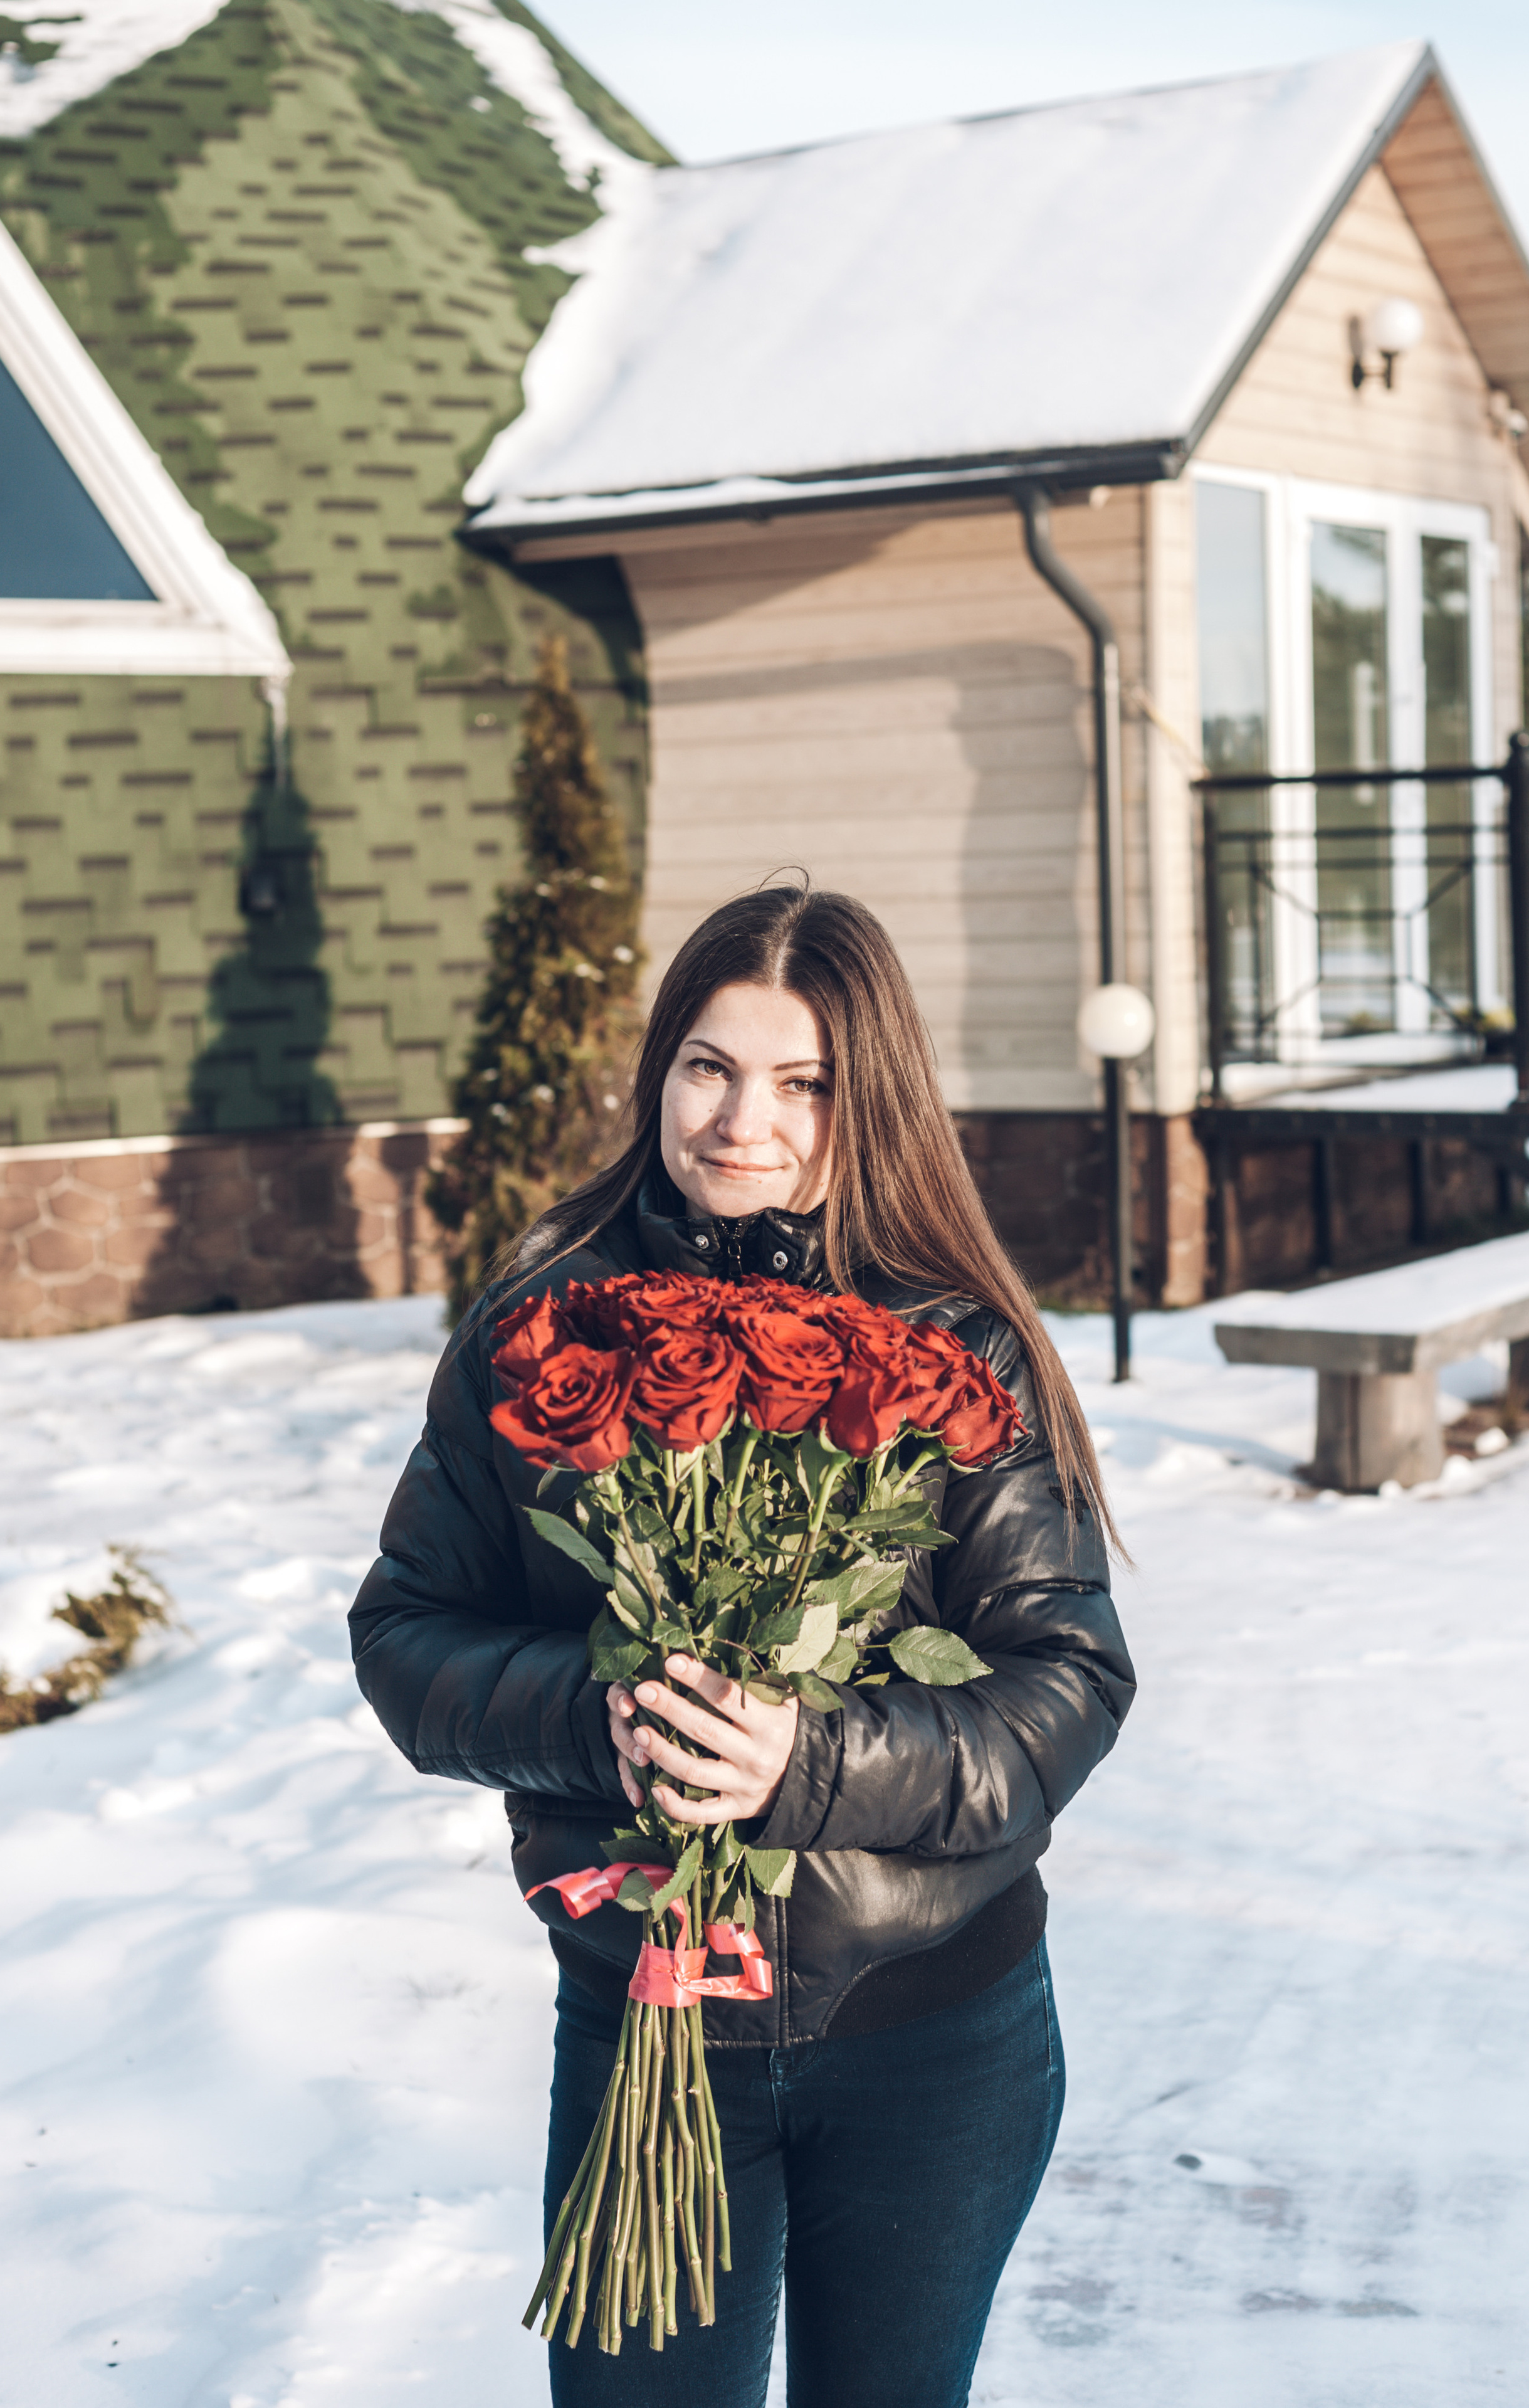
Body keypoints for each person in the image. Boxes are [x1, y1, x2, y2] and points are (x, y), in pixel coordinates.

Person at [350, 884, 1136, 2408]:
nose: (740, 1121)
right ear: (656, 1072)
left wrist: (809, 1763)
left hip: (933, 2029)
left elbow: (1067, 1683)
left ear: (869, 1100)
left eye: (804, 1082)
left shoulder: (949, 1346)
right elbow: (406, 1639)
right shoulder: (537, 1332)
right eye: (706, 1066)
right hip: (653, 2028)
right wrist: (603, 1721)